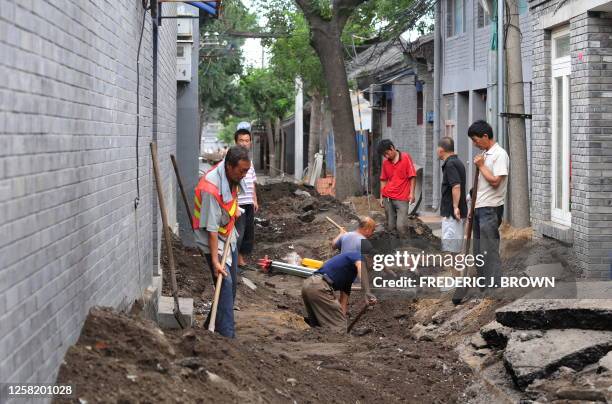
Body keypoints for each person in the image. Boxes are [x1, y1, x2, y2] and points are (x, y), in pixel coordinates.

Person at [193, 145, 251, 337]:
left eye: (246, 170)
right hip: (212, 239)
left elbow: (231, 202)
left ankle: (210, 327)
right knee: (224, 284)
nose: (244, 175)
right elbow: (210, 229)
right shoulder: (211, 188)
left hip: (227, 234)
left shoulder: (232, 177)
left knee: (231, 285)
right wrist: (216, 261)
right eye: (242, 171)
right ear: (229, 167)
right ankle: (227, 335)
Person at [453, 120, 509, 304]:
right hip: (479, 207)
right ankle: (484, 288)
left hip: (491, 209)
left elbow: (495, 181)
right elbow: (481, 185)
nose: (474, 143)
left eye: (476, 140)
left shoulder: (499, 154)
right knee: (478, 250)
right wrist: (472, 205)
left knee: (488, 248)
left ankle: (495, 288)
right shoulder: (484, 154)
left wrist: (481, 166)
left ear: (486, 136)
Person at [302, 252, 377, 333]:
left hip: (309, 286)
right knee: (338, 332)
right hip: (319, 286)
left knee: (318, 327)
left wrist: (342, 320)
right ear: (369, 258)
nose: (373, 267)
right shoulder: (359, 256)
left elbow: (343, 303)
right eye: (375, 263)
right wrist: (367, 292)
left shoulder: (348, 276)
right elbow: (361, 267)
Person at [377, 140, 417, 236]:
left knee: (401, 226)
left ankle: (405, 248)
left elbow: (412, 176)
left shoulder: (406, 157)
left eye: (387, 153)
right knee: (390, 226)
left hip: (402, 198)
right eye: (384, 155)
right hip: (388, 198)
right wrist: (382, 197)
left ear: (392, 148)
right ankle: (393, 248)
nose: (386, 156)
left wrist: (412, 193)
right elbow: (383, 180)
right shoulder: (386, 163)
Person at [437, 137, 467, 254]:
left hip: (452, 214)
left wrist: (455, 207)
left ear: (441, 150)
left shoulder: (450, 164)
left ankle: (453, 272)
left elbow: (456, 186)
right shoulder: (458, 162)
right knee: (454, 247)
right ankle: (455, 271)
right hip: (456, 212)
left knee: (451, 248)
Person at [233, 126, 259, 269]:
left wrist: (254, 199)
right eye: (241, 140)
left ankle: (240, 259)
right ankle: (235, 261)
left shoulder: (250, 161)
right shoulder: (232, 161)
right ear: (236, 142)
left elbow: (252, 183)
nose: (244, 143)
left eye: (247, 140)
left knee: (248, 232)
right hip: (238, 204)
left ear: (250, 143)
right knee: (239, 232)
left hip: (248, 202)